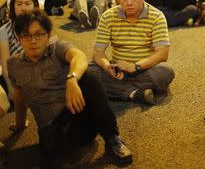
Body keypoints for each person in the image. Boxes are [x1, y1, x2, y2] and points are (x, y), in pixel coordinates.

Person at [7, 10, 132, 168]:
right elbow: (19, 97)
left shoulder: (57, 48)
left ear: (48, 35)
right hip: (51, 128)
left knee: (88, 76)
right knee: (52, 151)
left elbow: (78, 56)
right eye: (26, 35)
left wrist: (72, 79)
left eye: (39, 34)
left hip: (78, 116)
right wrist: (19, 125)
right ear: (19, 39)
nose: (33, 41)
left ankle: (112, 138)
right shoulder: (13, 64)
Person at [91, 0, 175, 105]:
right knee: (88, 71)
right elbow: (98, 52)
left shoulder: (157, 16)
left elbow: (162, 54)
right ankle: (135, 93)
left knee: (165, 71)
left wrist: (135, 66)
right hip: (117, 70)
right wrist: (106, 66)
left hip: (144, 69)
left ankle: (117, 90)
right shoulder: (107, 17)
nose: (129, 2)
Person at [0, 0, 39, 101]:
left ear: (34, 6)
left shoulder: (40, 25)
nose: (23, 7)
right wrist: (10, 87)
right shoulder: (3, 30)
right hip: (15, 72)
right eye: (19, 4)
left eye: (28, 3)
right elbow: (5, 61)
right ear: (13, 7)